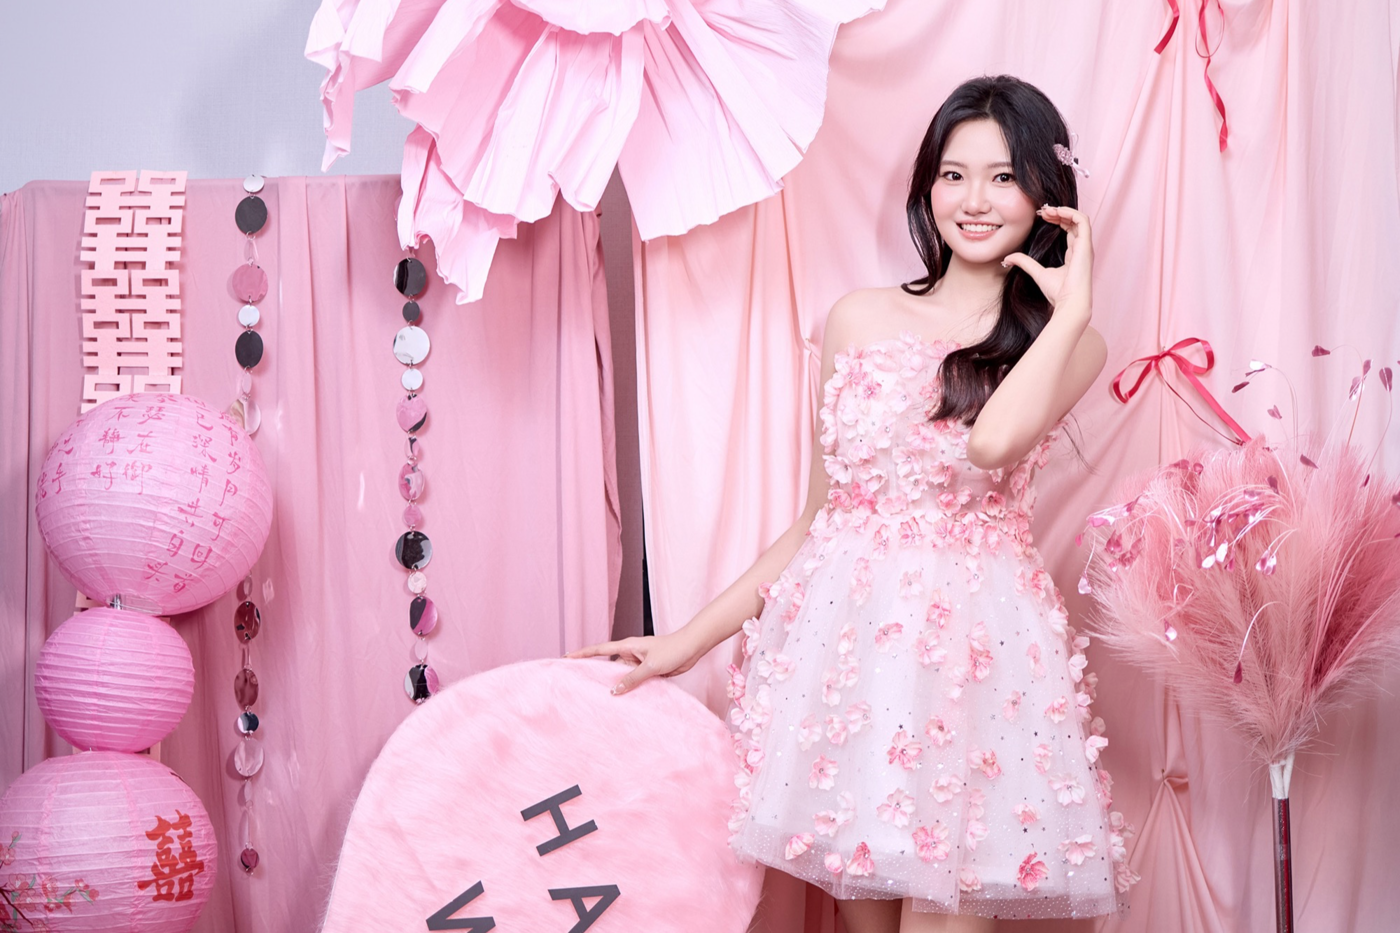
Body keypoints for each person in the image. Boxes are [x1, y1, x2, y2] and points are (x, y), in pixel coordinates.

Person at [570, 75, 1135, 932]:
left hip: (972, 664)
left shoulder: (1069, 343)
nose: (973, 200)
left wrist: (1071, 309)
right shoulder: (858, 318)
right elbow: (820, 522)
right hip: (854, 665)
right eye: (953, 175)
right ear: (927, 186)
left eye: (1003, 177)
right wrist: (683, 642)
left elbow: (990, 444)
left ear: (1045, 197)